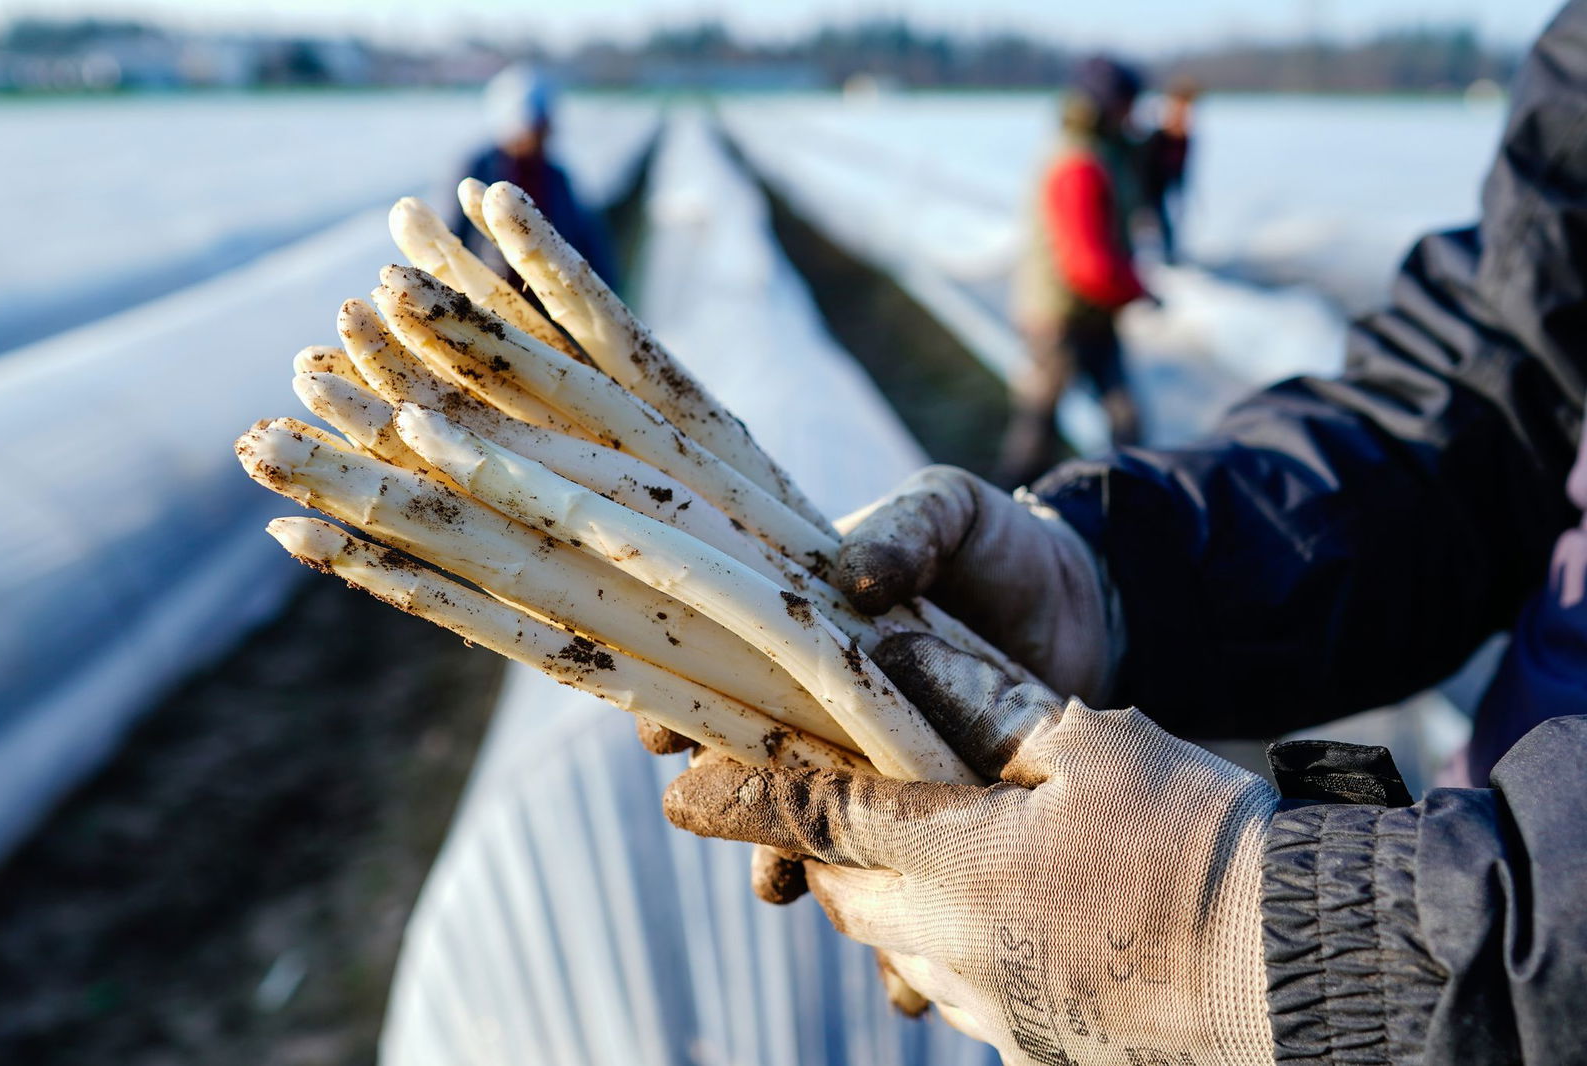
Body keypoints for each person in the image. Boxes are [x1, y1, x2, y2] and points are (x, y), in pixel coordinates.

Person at [661, 3, 1587, 1062]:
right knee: (1056, 408)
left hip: (1490, 956)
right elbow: (1493, 398)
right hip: (1480, 842)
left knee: (1064, 402)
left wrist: (1371, 952)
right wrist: (1117, 576)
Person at [1001, 57, 1151, 487]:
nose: (1135, 114)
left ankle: (1135, 506)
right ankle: (1000, 522)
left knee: (1125, 420)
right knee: (1037, 429)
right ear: (1108, 105)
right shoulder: (1079, 163)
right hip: (1061, 318)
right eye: (1129, 103)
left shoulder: (1101, 152)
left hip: (1089, 313)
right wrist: (1137, 288)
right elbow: (1088, 264)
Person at [450, 64, 619, 292]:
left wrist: (608, 288)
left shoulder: (556, 177)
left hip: (547, 296)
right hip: (492, 295)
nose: (540, 139)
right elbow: (452, 235)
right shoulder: (478, 168)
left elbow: (586, 238)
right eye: (534, 130)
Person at [1138, 77, 1198, 265]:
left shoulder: (1184, 137)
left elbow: (1182, 164)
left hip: (1168, 183)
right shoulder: (1157, 138)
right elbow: (1144, 167)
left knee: (1168, 222)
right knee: (1155, 222)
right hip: (1151, 185)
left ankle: (1168, 258)